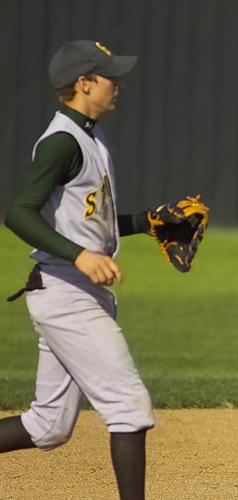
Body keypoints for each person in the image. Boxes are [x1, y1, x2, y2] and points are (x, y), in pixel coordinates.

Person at [2, 40, 156, 500]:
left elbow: (95, 226)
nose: (118, 83)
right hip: (66, 292)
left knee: (48, 425)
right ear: (83, 84)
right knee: (130, 407)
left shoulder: (89, 136)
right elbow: (19, 214)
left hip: (72, 290)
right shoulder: (63, 142)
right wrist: (80, 257)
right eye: (109, 75)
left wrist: (148, 222)